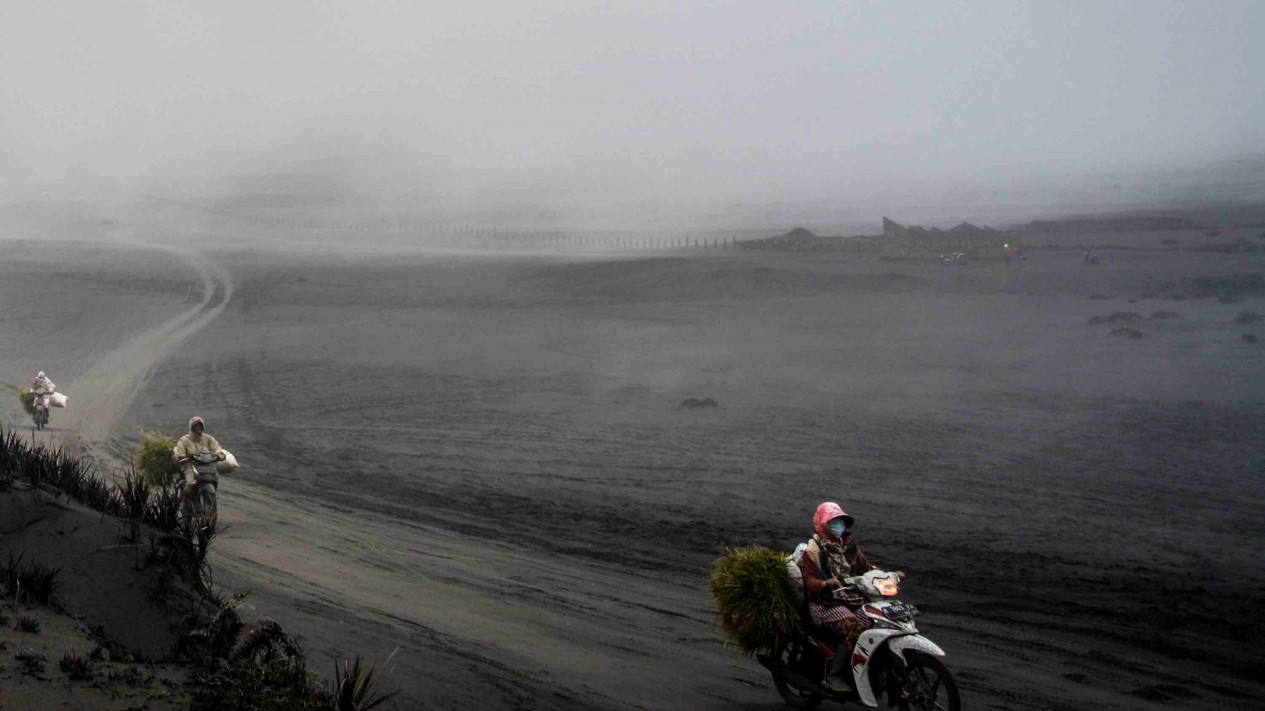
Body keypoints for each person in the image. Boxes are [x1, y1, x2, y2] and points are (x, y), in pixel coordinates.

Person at [799, 501, 903, 693]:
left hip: (851, 600)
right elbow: (809, 580)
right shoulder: (813, 550)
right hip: (825, 604)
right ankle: (834, 676)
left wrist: (890, 576)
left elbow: (867, 568)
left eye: (840, 521)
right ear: (822, 523)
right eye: (832, 521)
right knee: (855, 629)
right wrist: (825, 584)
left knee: (877, 623)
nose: (837, 525)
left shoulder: (848, 546)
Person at [174, 416, 226, 526]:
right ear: (192, 428)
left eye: (200, 426)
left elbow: (216, 447)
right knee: (190, 482)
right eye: (196, 426)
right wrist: (183, 456)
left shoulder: (207, 438)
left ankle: (209, 518)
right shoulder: (184, 440)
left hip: (206, 466)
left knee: (214, 476)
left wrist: (219, 453)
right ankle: (185, 507)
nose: (198, 428)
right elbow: (180, 453)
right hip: (190, 465)